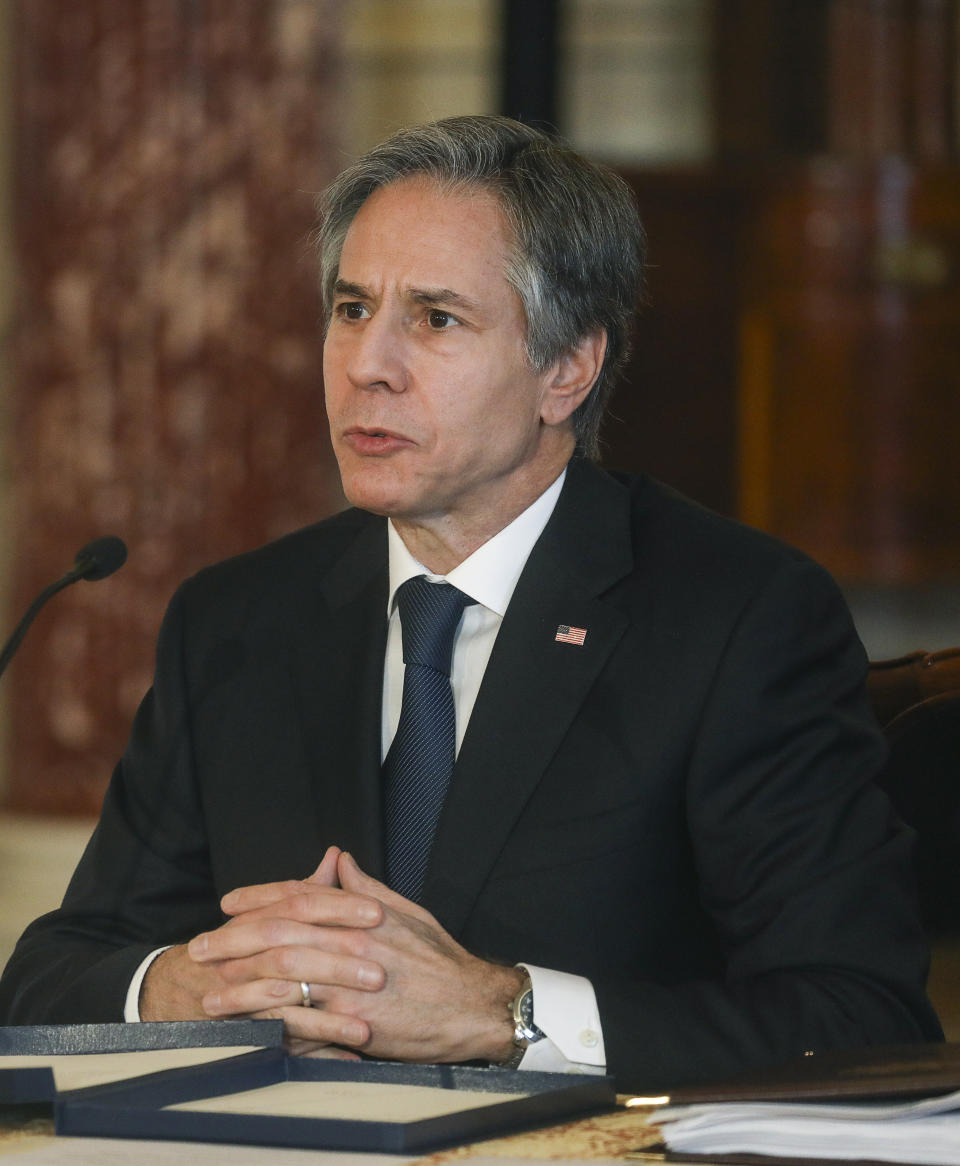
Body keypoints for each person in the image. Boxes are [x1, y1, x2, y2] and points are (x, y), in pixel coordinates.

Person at [0, 115, 941, 1091]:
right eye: (353, 308)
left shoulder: (736, 616)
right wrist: (187, 987)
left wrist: (506, 1011)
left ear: (566, 368)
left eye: (437, 319)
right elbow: (50, 980)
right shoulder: (238, 619)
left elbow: (861, 1015)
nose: (369, 363)